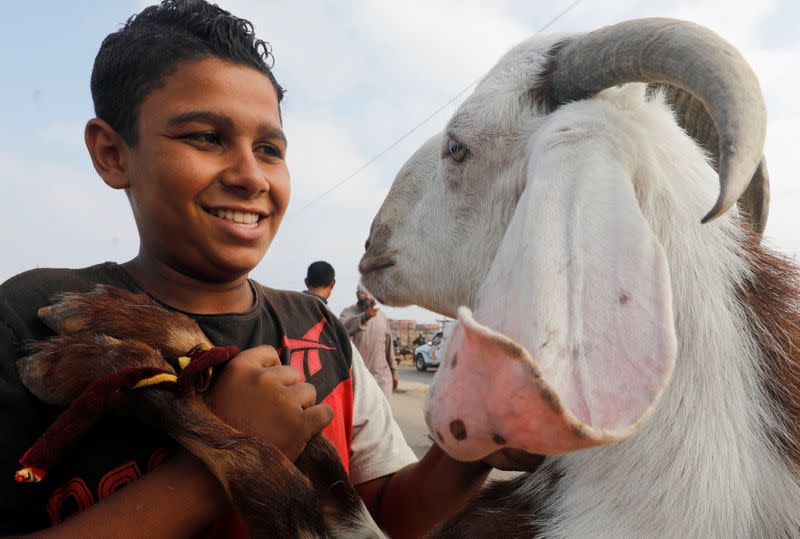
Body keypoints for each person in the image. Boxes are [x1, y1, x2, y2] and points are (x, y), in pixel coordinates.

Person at [0, 1, 496, 537]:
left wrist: (474, 448)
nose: (251, 176)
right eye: (206, 138)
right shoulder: (31, 320)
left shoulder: (320, 333)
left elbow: (379, 515)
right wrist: (230, 456)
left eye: (269, 148)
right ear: (112, 153)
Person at [340, 286, 398, 399]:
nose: (366, 295)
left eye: (369, 292)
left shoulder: (382, 317)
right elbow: (341, 331)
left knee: (382, 415)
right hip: (358, 379)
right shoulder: (348, 313)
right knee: (360, 416)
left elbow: (389, 348)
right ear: (357, 294)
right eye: (362, 292)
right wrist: (364, 317)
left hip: (381, 379)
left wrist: (394, 372)